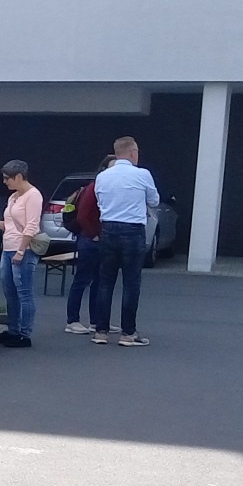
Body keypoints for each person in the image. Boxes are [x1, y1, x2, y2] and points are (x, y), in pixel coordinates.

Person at [91, 136, 158, 346]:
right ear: (131, 152)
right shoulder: (142, 174)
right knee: (131, 282)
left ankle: (101, 331)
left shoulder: (102, 177)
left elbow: (100, 200)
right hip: (132, 230)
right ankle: (128, 333)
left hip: (108, 229)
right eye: (137, 151)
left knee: (105, 281)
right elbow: (154, 200)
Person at [0, 160, 42, 348]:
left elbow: (31, 226)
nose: (5, 182)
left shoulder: (33, 196)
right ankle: (13, 329)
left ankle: (24, 333)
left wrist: (21, 251)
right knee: (10, 292)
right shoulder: (14, 197)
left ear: (19, 177)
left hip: (23, 250)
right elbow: (9, 226)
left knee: (24, 292)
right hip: (8, 248)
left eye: (8, 178)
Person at [63, 156, 115, 334]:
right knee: (82, 280)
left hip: (100, 240)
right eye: (112, 168)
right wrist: (93, 235)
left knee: (99, 282)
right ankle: (72, 320)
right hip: (89, 241)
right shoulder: (94, 188)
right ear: (103, 170)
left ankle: (96, 320)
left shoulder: (107, 189)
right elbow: (82, 216)